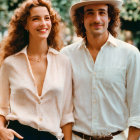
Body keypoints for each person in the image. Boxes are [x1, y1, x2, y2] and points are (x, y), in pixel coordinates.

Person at [61, 0, 140, 140]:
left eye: (102, 12)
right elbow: (63, 107)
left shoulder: (130, 54)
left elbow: (137, 111)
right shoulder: (66, 55)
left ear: (110, 17)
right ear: (82, 18)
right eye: (90, 13)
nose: (97, 19)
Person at [0, 0, 74, 140]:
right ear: (25, 25)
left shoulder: (64, 62)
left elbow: (66, 114)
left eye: (47, 18)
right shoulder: (10, 64)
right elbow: (2, 108)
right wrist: (1, 130)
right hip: (17, 135)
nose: (43, 23)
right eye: (36, 19)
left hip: (51, 136)